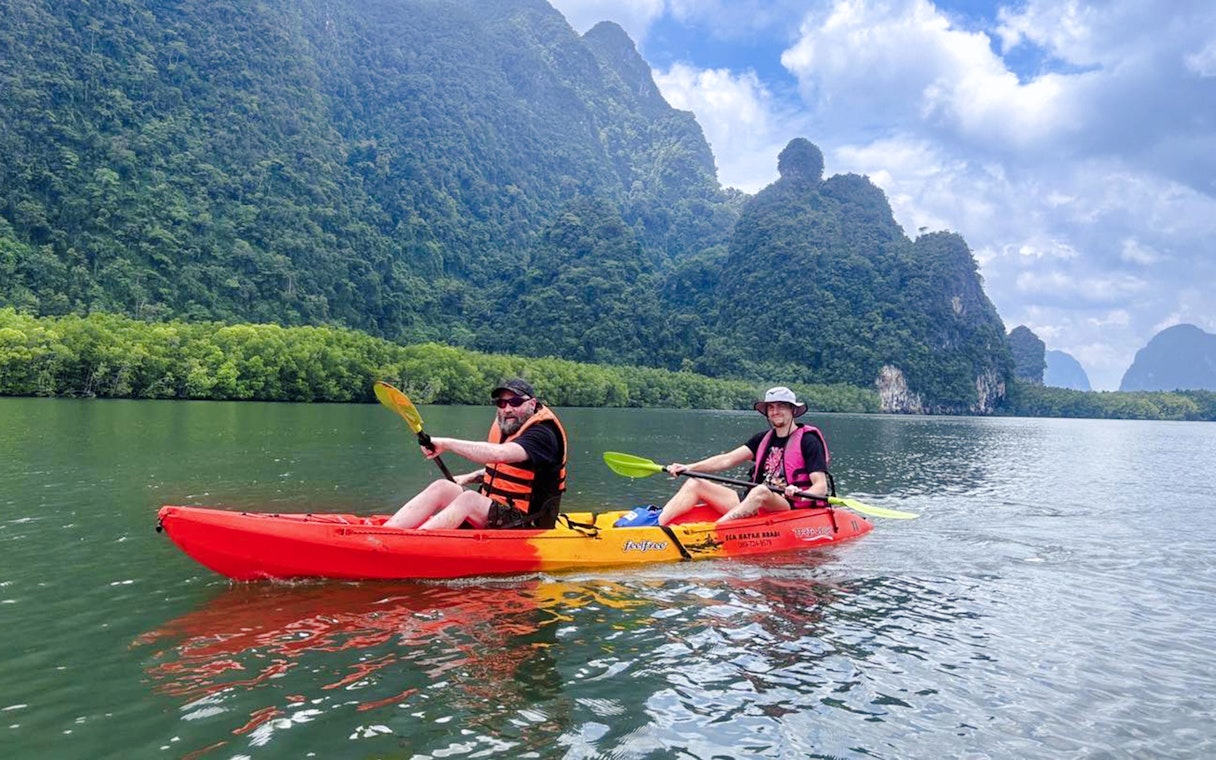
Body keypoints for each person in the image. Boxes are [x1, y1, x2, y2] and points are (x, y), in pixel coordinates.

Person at [384, 379, 568, 530]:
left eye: (516, 402)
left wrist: (446, 443)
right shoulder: (510, 425)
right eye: (502, 403)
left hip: (527, 522)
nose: (507, 409)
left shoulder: (543, 434)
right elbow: (505, 471)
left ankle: (415, 543)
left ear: (532, 404)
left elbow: (499, 455)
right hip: (499, 510)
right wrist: (467, 478)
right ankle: (387, 533)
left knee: (469, 499)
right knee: (443, 486)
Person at [657, 386, 830, 526]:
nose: (775, 411)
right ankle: (656, 527)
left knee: (761, 490)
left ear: (792, 410)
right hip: (753, 502)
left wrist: (800, 493)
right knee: (694, 483)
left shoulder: (808, 441)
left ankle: (714, 531)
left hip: (786, 505)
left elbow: (820, 487)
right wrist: (689, 468)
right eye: (771, 407)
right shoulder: (762, 439)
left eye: (781, 406)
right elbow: (727, 459)